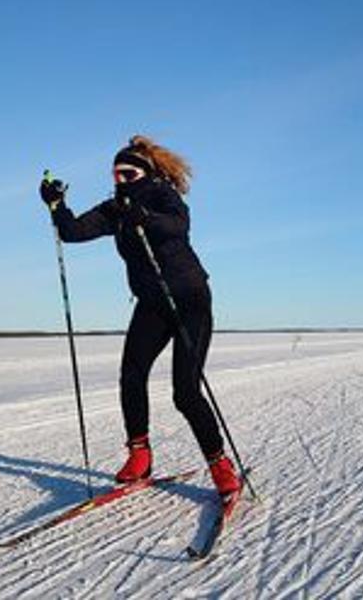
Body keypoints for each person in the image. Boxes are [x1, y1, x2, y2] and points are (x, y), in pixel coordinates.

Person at [39, 135, 241, 497]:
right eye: (115, 175)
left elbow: (177, 226)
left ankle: (220, 465)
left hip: (189, 300)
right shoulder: (114, 209)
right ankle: (140, 456)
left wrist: (145, 217)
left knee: (185, 392)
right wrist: (57, 206)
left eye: (127, 175)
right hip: (152, 303)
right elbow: (72, 233)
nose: (119, 182)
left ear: (145, 173)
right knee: (131, 374)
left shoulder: (164, 196)